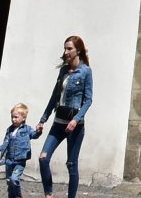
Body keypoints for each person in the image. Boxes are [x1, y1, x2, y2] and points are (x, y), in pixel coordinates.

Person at [39, 34, 93, 196]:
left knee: (71, 164)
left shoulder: (85, 72)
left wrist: (76, 120)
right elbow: (55, 96)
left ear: (78, 51)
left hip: (74, 126)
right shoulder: (64, 70)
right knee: (43, 158)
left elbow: (88, 100)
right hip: (58, 122)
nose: (66, 52)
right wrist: (43, 119)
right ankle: (49, 194)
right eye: (65, 48)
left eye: (69, 48)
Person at [0, 104, 34, 198]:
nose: (13, 119)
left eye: (16, 117)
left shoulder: (27, 129)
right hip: (9, 160)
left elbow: (34, 135)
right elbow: (5, 144)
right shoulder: (9, 130)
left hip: (20, 161)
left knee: (14, 179)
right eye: (12, 117)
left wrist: (39, 131)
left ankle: (18, 196)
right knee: (9, 182)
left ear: (23, 118)